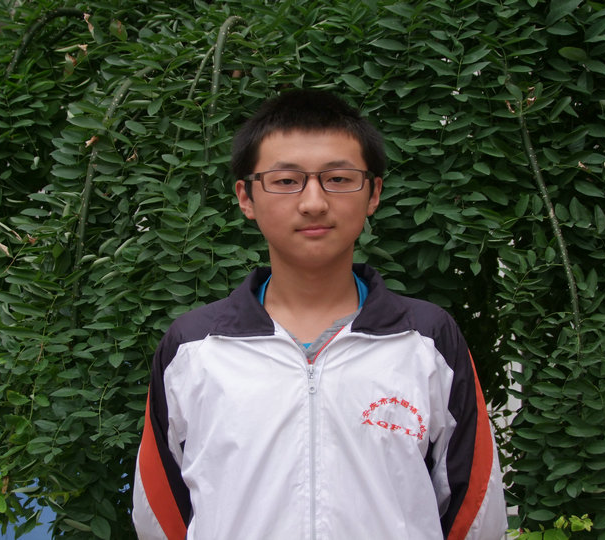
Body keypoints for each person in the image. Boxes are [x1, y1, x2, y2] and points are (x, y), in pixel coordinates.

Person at [132, 89, 507, 539]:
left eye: (339, 178)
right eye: (286, 181)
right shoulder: (195, 348)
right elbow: (161, 511)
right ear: (246, 197)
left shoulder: (425, 340)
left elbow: (475, 511)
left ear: (373, 193)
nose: (313, 202)